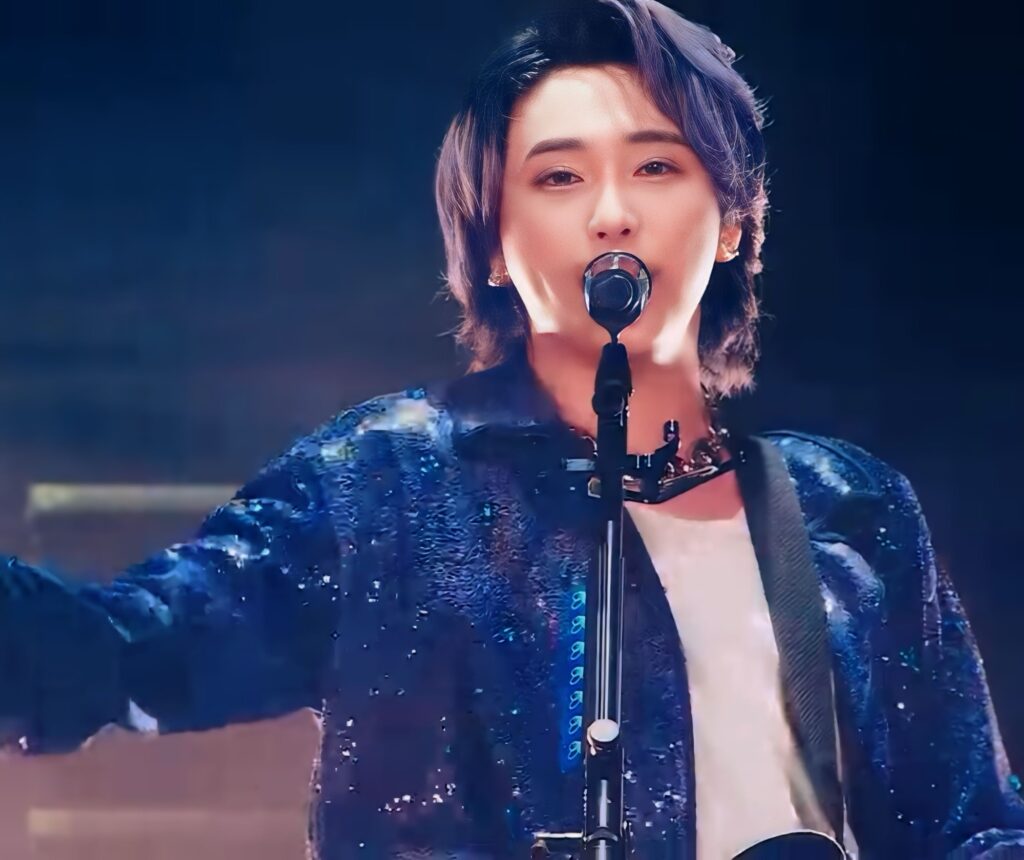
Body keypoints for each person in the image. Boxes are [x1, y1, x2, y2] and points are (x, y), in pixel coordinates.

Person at [2, 1, 1022, 857]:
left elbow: (969, 825)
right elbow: (119, 649)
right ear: (492, 243)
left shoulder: (847, 506)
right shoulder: (387, 481)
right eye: (559, 176)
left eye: (656, 167)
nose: (612, 214)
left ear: (734, 222)